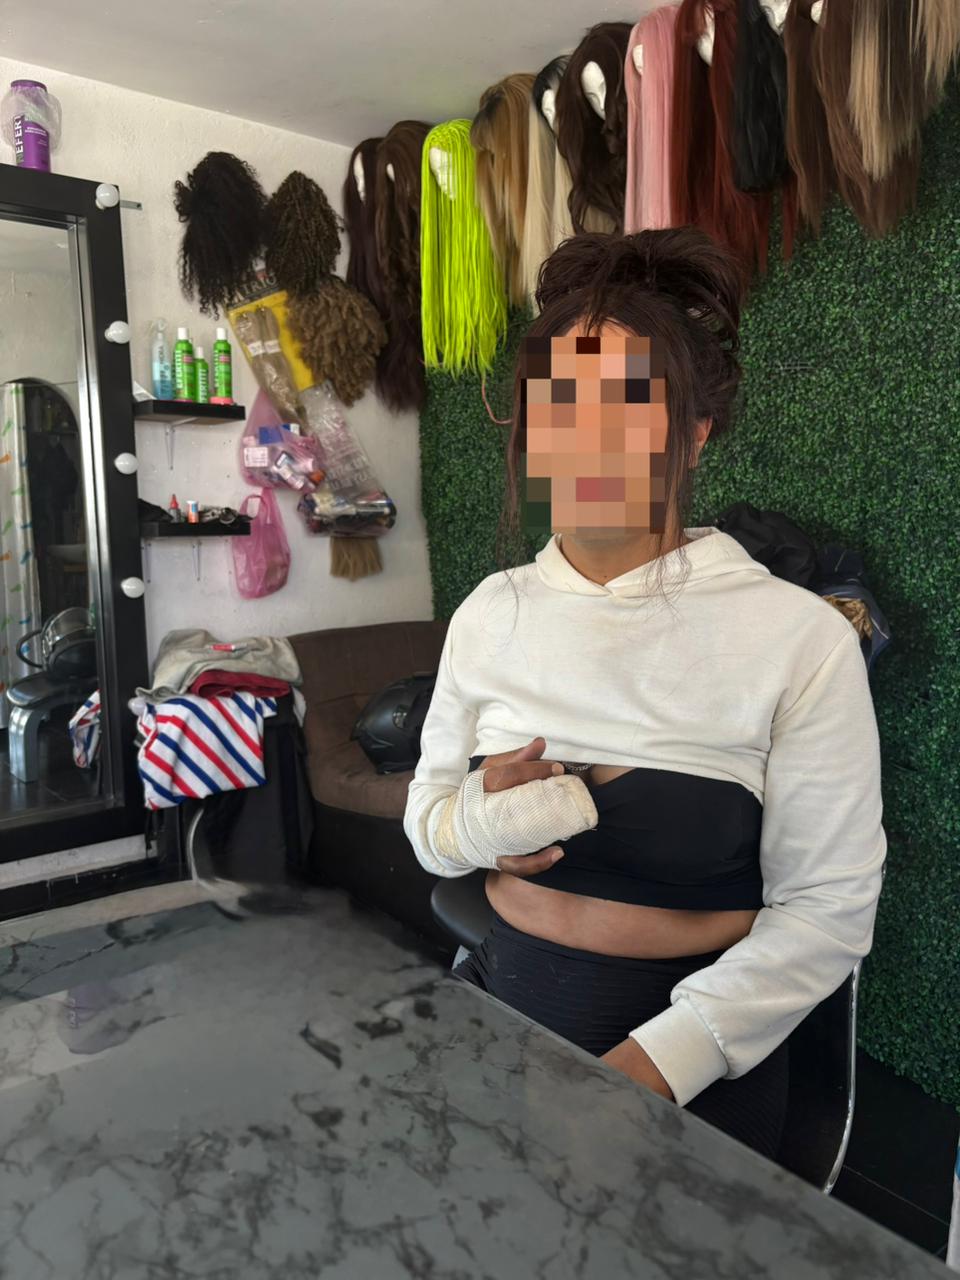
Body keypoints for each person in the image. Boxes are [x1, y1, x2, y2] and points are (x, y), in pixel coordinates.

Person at [403, 227, 886, 1160]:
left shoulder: (798, 639)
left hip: (695, 1066)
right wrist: (474, 823)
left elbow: (827, 911)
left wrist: (650, 1068)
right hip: (501, 1009)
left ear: (694, 433)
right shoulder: (490, 612)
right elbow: (428, 826)